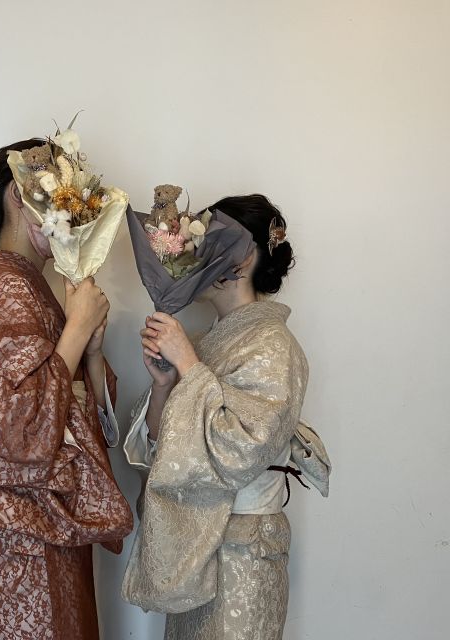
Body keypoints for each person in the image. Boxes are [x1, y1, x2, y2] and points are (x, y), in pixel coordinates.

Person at [0, 138, 133, 640]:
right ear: (20, 196)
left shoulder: (32, 290)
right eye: (60, 201)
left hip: (46, 528)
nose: (71, 219)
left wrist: (90, 350)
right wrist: (76, 330)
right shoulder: (3, 287)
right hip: (17, 540)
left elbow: (82, 418)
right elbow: (17, 428)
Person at [122, 195, 329, 640]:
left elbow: (244, 448)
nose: (196, 257)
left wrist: (189, 365)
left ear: (244, 257)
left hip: (245, 553)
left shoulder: (274, 344)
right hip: (194, 548)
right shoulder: (202, 342)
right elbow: (163, 452)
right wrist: (164, 385)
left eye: (208, 242)